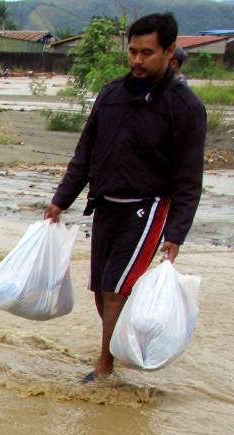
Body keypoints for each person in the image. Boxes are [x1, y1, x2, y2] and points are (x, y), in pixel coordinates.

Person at [43, 13, 205, 383]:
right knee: (102, 292)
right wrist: (61, 200)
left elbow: (188, 178)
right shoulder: (112, 94)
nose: (137, 60)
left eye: (147, 53)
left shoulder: (185, 108)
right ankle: (133, 340)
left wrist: (175, 234)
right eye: (132, 51)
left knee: (115, 289)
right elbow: (85, 152)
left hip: (147, 209)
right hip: (105, 205)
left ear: (168, 52)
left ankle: (105, 366)